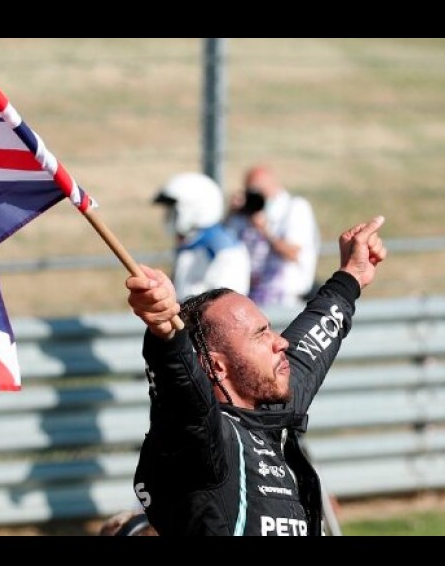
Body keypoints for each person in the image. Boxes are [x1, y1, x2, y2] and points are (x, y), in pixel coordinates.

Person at [124, 215, 387, 536]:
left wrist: (350, 277)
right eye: (260, 335)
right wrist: (166, 333)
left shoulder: (270, 414)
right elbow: (181, 392)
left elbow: (310, 348)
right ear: (217, 366)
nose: (281, 342)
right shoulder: (203, 442)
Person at [225, 164, 321, 307]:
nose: (256, 196)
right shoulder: (246, 214)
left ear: (273, 185)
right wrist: (231, 213)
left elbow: (292, 253)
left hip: (286, 300)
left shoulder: (294, 208)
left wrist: (265, 230)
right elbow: (224, 244)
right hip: (251, 297)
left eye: (258, 190)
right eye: (250, 192)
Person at [153, 172, 251, 302]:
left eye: (174, 210)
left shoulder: (224, 250)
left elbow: (227, 303)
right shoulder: (191, 246)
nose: (169, 216)